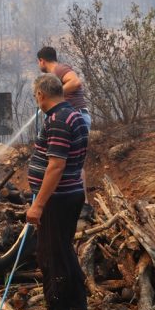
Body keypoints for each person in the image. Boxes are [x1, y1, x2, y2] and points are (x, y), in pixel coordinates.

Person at [26, 74, 89, 310]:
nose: (36, 101)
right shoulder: (74, 114)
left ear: (41, 94)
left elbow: (56, 165)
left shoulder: (58, 120)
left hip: (57, 198)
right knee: (63, 250)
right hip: (69, 194)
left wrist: (38, 204)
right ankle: (78, 308)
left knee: (50, 256)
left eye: (35, 96)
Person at [37, 46, 92, 216]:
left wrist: (56, 96)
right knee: (72, 163)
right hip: (76, 117)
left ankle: (82, 205)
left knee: (71, 163)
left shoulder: (59, 69)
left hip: (76, 117)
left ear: (42, 61)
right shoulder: (56, 73)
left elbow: (75, 82)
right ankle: (79, 204)